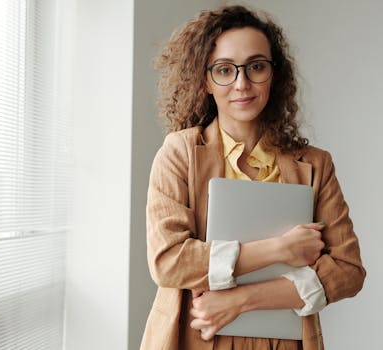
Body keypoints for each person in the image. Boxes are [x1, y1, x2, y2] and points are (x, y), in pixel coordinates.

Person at [142, 5, 365, 350]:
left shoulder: (315, 165)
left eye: (256, 67)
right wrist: (280, 248)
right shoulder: (179, 153)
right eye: (225, 70)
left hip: (286, 342)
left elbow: (348, 271)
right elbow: (169, 261)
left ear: (274, 75)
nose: (241, 83)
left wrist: (241, 299)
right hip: (193, 337)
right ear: (204, 80)